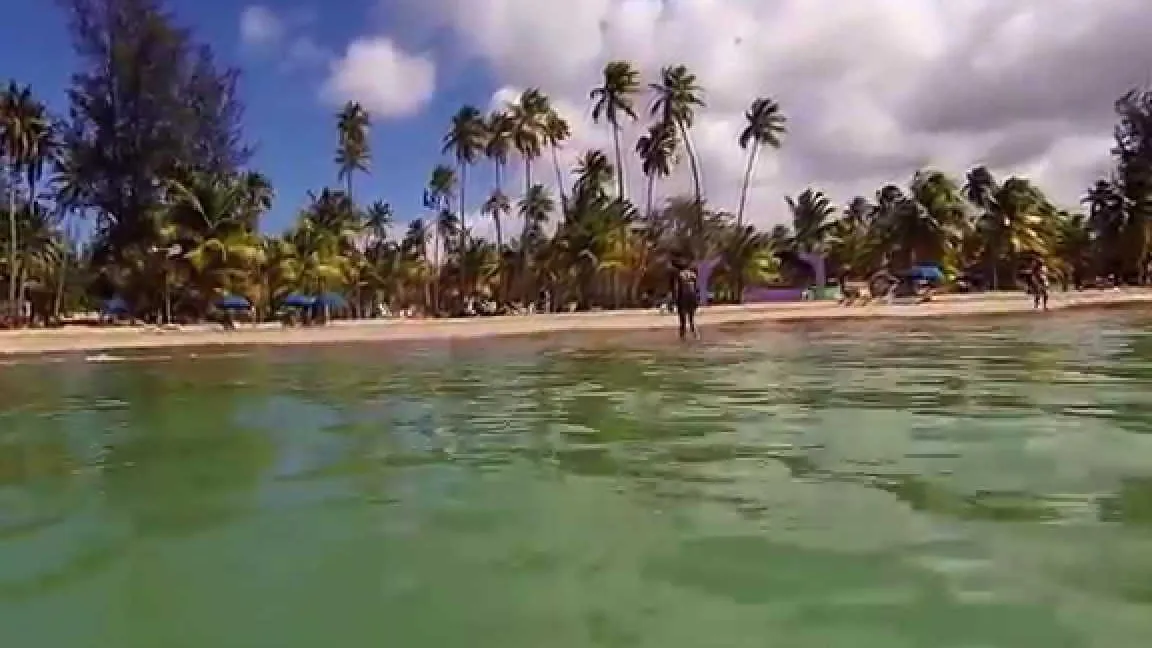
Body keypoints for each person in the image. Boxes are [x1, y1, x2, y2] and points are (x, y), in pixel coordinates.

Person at [670, 258, 700, 339]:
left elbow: (676, 289)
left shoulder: (679, 275)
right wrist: (697, 301)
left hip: (683, 298)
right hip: (692, 298)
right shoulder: (693, 275)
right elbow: (697, 288)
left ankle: (682, 337)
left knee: (683, 320)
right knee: (691, 319)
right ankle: (696, 335)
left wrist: (674, 301)